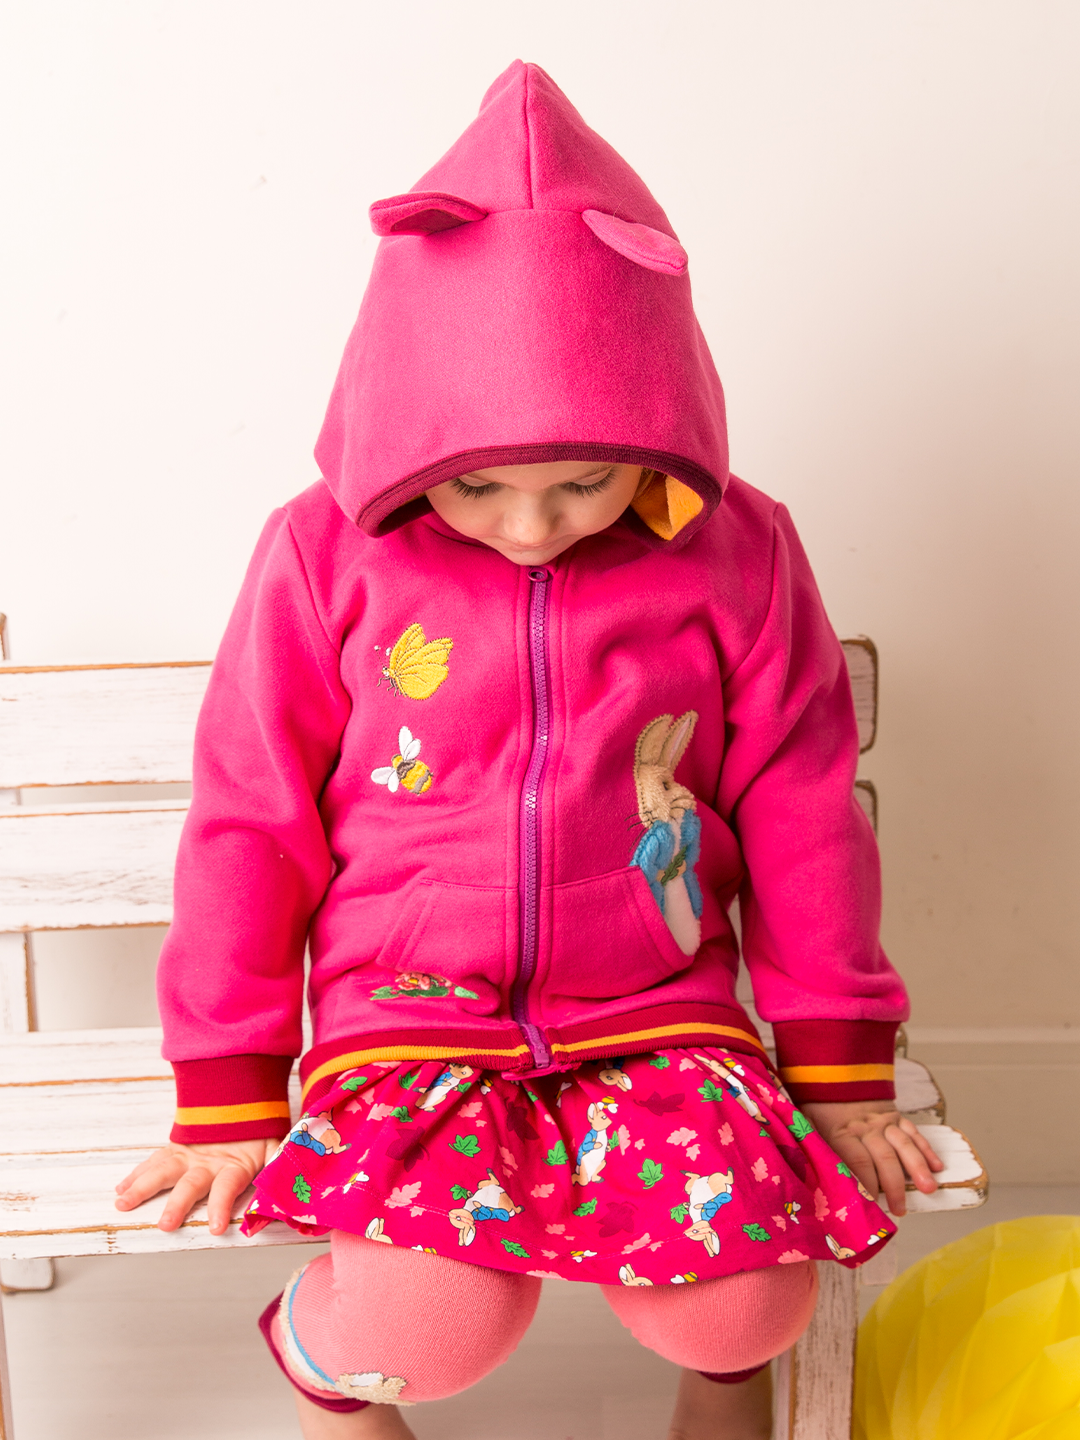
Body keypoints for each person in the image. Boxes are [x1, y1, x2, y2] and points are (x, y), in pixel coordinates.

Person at [114, 61, 942, 1440]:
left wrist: (840, 1061)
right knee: (429, 1331)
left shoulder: (738, 552)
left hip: (660, 1011)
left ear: (655, 431)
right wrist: (229, 1085)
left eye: (583, 481)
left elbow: (802, 807)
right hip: (407, 1019)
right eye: (478, 483)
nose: (530, 526)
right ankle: (334, 1386)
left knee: (748, 1303)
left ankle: (721, 1396)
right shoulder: (322, 556)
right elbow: (251, 818)